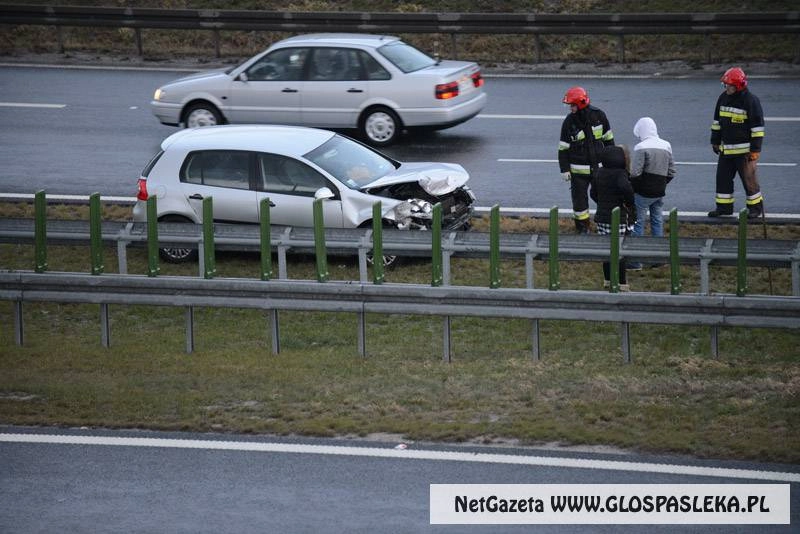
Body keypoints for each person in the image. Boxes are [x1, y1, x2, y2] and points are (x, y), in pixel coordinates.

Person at [708, 67, 765, 219]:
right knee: (723, 180)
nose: (726, 87)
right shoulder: (723, 98)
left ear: (738, 86)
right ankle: (724, 208)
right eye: (725, 85)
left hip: (745, 153)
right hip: (726, 151)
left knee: (749, 181)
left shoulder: (750, 101)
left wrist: (755, 150)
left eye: (729, 85)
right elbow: (716, 122)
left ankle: (755, 209)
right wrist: (715, 140)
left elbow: (757, 129)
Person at [558, 86, 615, 233]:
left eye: (572, 105)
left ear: (581, 103)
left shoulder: (599, 116)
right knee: (580, 202)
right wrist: (564, 169)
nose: (570, 108)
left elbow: (609, 141)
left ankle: (604, 225)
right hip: (578, 173)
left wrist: (613, 163)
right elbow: (563, 148)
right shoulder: (569, 122)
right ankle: (583, 228)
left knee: (604, 199)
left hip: (599, 169)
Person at [628, 117, 676, 270]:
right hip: (659, 192)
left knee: (638, 224)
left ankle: (636, 261)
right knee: (657, 222)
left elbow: (635, 173)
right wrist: (661, 184)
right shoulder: (666, 145)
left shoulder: (641, 147)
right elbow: (672, 171)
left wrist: (633, 188)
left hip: (643, 193)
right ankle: (659, 258)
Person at [590, 145, 635, 291]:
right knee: (619, 251)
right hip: (618, 217)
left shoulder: (599, 172)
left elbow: (593, 193)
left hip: (602, 217)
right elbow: (626, 189)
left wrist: (601, 202)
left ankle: (608, 280)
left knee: (606, 250)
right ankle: (621, 282)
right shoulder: (621, 173)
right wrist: (628, 203)